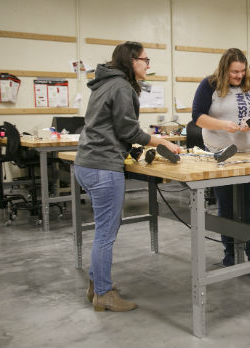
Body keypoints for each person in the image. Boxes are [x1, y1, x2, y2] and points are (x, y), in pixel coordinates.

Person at [75, 41, 181, 311]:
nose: (148, 65)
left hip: (88, 164)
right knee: (106, 234)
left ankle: (96, 283)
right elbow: (128, 132)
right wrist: (161, 142)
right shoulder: (122, 86)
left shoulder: (104, 83)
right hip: (103, 167)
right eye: (145, 60)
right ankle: (102, 294)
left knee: (105, 228)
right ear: (132, 60)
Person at [191, 48, 250, 271]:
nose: (239, 76)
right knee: (226, 208)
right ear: (224, 68)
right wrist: (224, 125)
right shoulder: (209, 85)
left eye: (242, 71)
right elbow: (197, 116)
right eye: (234, 72)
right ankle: (231, 256)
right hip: (221, 155)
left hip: (249, 154)